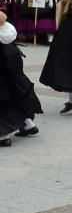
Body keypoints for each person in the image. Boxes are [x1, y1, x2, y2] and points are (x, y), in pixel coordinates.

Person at [0, 11, 42, 146]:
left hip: (4, 56)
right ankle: (28, 125)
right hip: (10, 54)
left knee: (4, 93)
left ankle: (3, 135)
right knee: (13, 89)